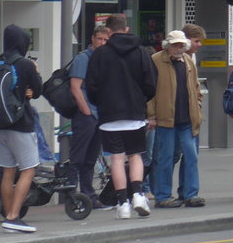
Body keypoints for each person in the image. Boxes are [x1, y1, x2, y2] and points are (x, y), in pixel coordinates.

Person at [85, 13, 156, 219]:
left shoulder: (99, 55)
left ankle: (122, 203)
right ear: (126, 29)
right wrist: (141, 100)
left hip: (109, 114)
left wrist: (102, 103)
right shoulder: (141, 52)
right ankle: (138, 195)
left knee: (116, 159)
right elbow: (151, 83)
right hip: (134, 113)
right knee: (135, 156)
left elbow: (91, 86)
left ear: (108, 31)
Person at [147, 30, 204, 208]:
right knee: (165, 157)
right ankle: (163, 196)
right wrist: (152, 116)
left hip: (187, 118)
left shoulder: (188, 61)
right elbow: (149, 90)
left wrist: (198, 103)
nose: (179, 48)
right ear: (168, 46)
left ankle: (190, 194)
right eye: (176, 45)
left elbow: (195, 85)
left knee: (191, 156)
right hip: (166, 119)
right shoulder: (156, 60)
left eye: (181, 45)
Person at [0, 24, 43, 234]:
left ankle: (7, 216)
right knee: (28, 170)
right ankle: (13, 216)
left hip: (1, 125)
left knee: (8, 172)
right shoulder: (25, 64)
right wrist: (35, 74)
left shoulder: (0, 61)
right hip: (21, 125)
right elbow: (37, 91)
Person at [68, 24, 111, 210]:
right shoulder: (82, 59)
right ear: (92, 38)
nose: (102, 43)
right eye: (99, 39)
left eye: (105, 40)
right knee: (78, 157)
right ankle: (70, 195)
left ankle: (89, 196)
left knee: (91, 158)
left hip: (98, 114)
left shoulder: (104, 60)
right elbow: (75, 88)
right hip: (87, 115)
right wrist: (86, 112)